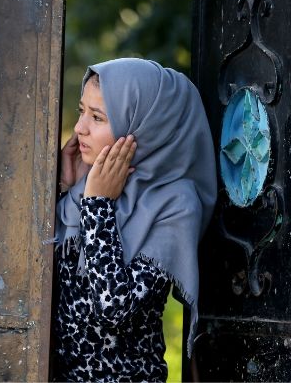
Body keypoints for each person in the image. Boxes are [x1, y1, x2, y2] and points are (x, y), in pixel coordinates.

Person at [53, 58, 217, 382]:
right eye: (81, 111)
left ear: (143, 126)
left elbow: (114, 307)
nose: (80, 128)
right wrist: (63, 190)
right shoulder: (82, 188)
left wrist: (97, 205)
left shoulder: (175, 205)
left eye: (97, 117)